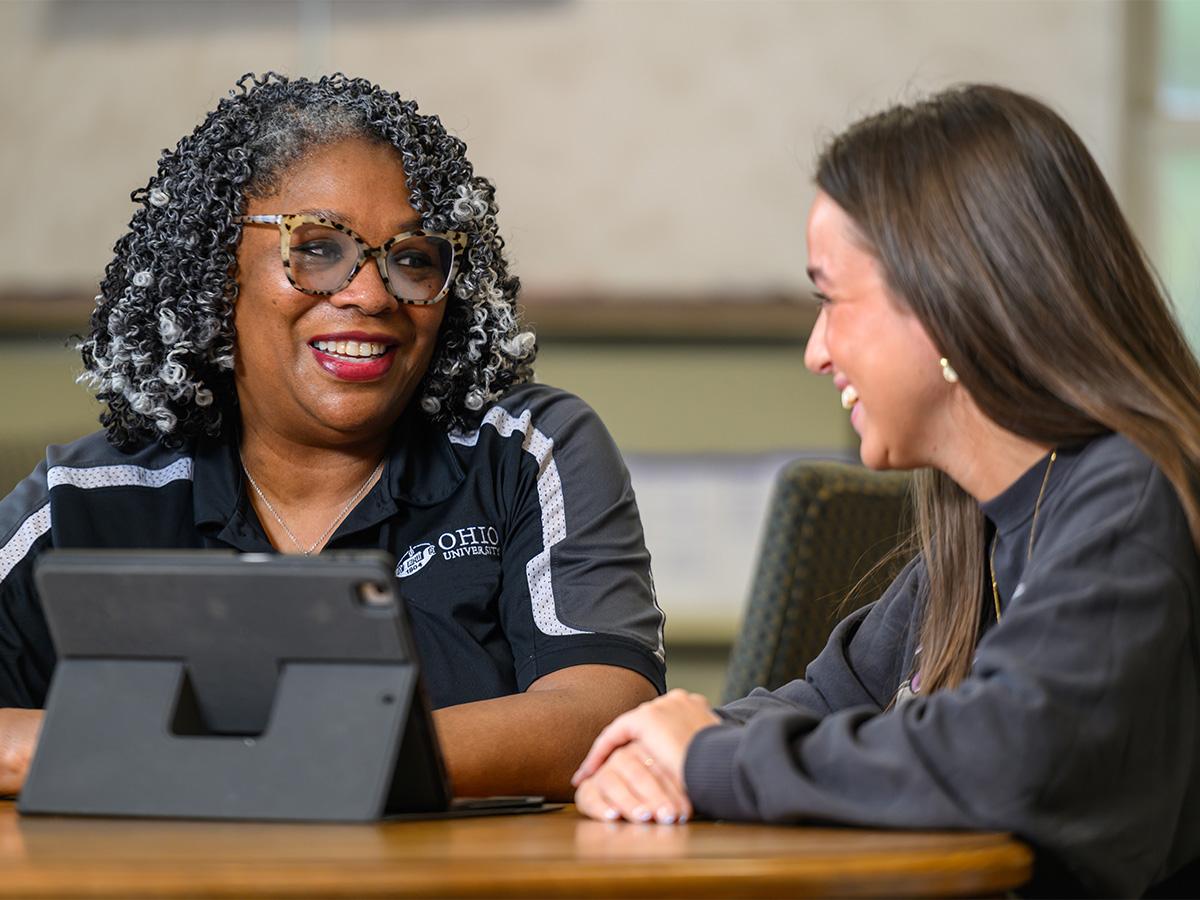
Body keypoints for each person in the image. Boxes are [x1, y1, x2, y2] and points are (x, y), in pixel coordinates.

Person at [571, 84, 1200, 897]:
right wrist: (652, 748)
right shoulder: (973, 530)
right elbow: (823, 701)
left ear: (948, 303)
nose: (815, 352)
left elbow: (1006, 754)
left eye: (831, 300)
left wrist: (706, 756)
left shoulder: (1132, 493)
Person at [0, 72, 665, 800]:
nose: (373, 294)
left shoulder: (525, 451)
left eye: (414, 258)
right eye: (317, 248)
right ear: (214, 270)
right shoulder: (89, 497)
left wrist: (259, 758)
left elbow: (605, 716)